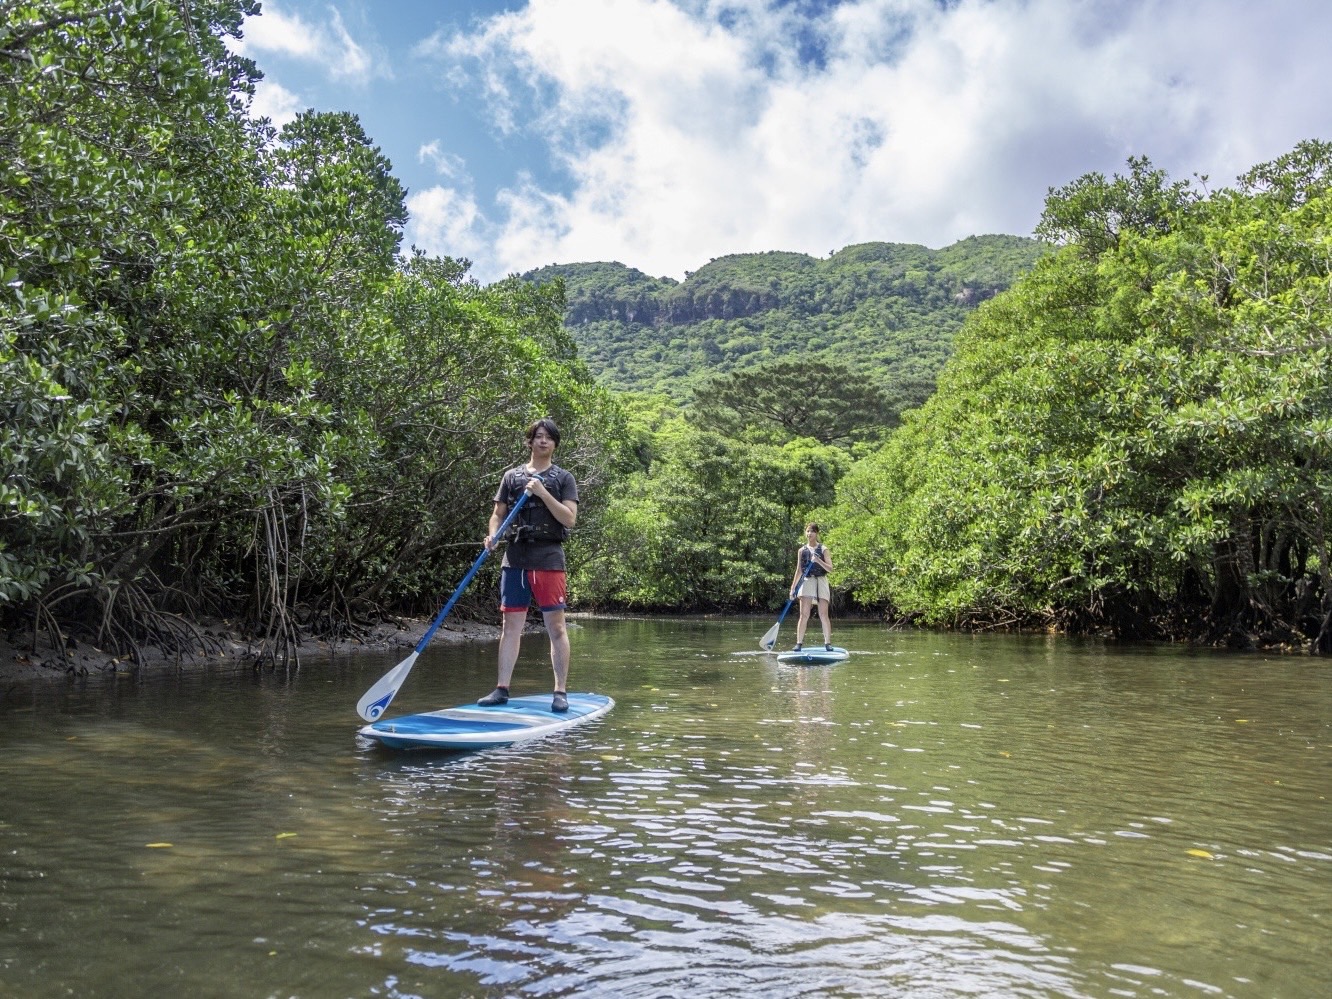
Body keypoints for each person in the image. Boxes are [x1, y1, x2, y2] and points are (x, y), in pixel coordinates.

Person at [477, 418, 579, 712]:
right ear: (530, 441)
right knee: (510, 626)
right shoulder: (511, 477)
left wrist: (544, 493)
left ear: (555, 444)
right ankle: (501, 689)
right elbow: (498, 514)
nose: (543, 441)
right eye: (538, 436)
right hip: (516, 558)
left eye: (548, 437)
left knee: (556, 627)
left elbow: (569, 519)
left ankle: (560, 691)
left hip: (548, 559)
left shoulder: (563, 478)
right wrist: (493, 535)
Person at [789, 522, 833, 651]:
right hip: (807, 581)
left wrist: (818, 560)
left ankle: (827, 643)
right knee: (804, 615)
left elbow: (830, 569)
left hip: (821, 581)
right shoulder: (802, 551)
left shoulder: (823, 549)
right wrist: (793, 588)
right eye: (807, 531)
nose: (809, 534)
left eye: (812, 531)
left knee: (823, 614)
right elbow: (799, 570)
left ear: (817, 533)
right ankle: (799, 643)